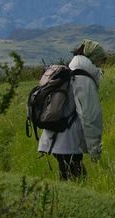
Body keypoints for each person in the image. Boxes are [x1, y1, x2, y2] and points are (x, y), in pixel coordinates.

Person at [37, 39, 106, 181]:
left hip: (56, 138)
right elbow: (90, 116)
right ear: (94, 59)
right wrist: (95, 149)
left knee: (68, 177)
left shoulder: (71, 72)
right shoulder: (83, 79)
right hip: (67, 141)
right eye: (102, 59)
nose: (103, 63)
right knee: (77, 180)